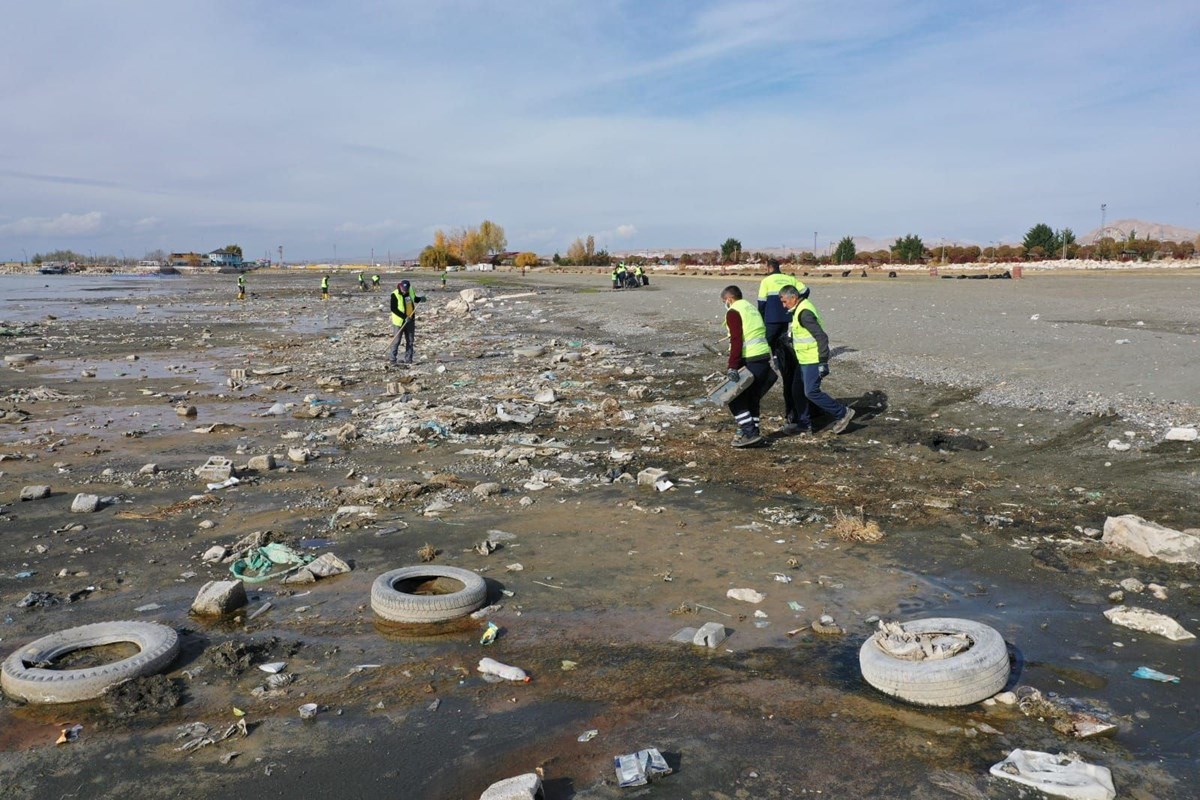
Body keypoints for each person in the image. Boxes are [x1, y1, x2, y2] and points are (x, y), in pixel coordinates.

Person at [778, 284, 855, 435]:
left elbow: (821, 337)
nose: (783, 305)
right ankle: (804, 424)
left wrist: (823, 362)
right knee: (797, 391)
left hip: (812, 360)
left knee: (811, 392)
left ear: (793, 298)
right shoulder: (797, 310)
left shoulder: (804, 313)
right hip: (803, 360)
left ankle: (843, 413)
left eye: (785, 301)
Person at [720, 285, 773, 447]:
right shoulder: (750, 308)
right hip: (763, 356)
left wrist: (732, 366)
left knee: (733, 398)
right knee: (752, 397)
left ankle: (749, 432)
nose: (725, 304)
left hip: (750, 357)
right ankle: (754, 431)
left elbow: (737, 339)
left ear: (729, 299)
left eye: (724, 301)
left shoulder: (734, 312)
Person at [757, 259, 801, 433]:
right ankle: (779, 359)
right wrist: (795, 306)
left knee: (769, 341)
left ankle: (773, 360)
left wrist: (762, 317)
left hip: (771, 319)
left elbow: (761, 302)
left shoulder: (766, 281)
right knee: (781, 343)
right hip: (786, 318)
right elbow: (805, 290)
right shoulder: (788, 279)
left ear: (769, 268)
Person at [388, 280, 425, 365]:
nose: (405, 291)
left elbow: (414, 299)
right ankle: (392, 360)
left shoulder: (410, 290)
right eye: (403, 289)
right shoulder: (395, 294)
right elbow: (393, 309)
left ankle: (408, 360)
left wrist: (420, 299)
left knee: (410, 341)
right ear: (400, 286)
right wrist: (404, 317)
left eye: (406, 289)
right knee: (396, 341)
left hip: (410, 320)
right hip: (399, 322)